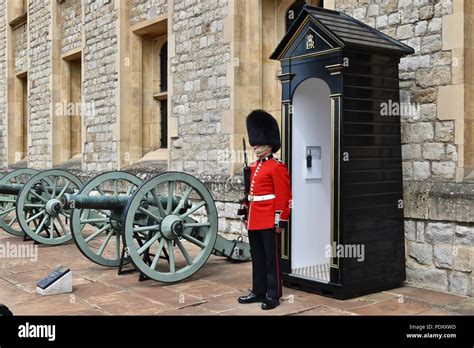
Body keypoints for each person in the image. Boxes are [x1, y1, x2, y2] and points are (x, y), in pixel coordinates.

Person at [238, 110, 292, 310]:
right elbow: (249, 194)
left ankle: (273, 294)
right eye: (254, 143)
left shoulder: (277, 167)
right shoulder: (253, 167)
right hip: (255, 218)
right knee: (258, 258)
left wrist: (280, 220)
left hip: (269, 219)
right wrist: (245, 210)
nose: (255, 147)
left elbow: (284, 197)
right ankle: (258, 291)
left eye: (258, 143)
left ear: (269, 145)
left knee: (272, 260)